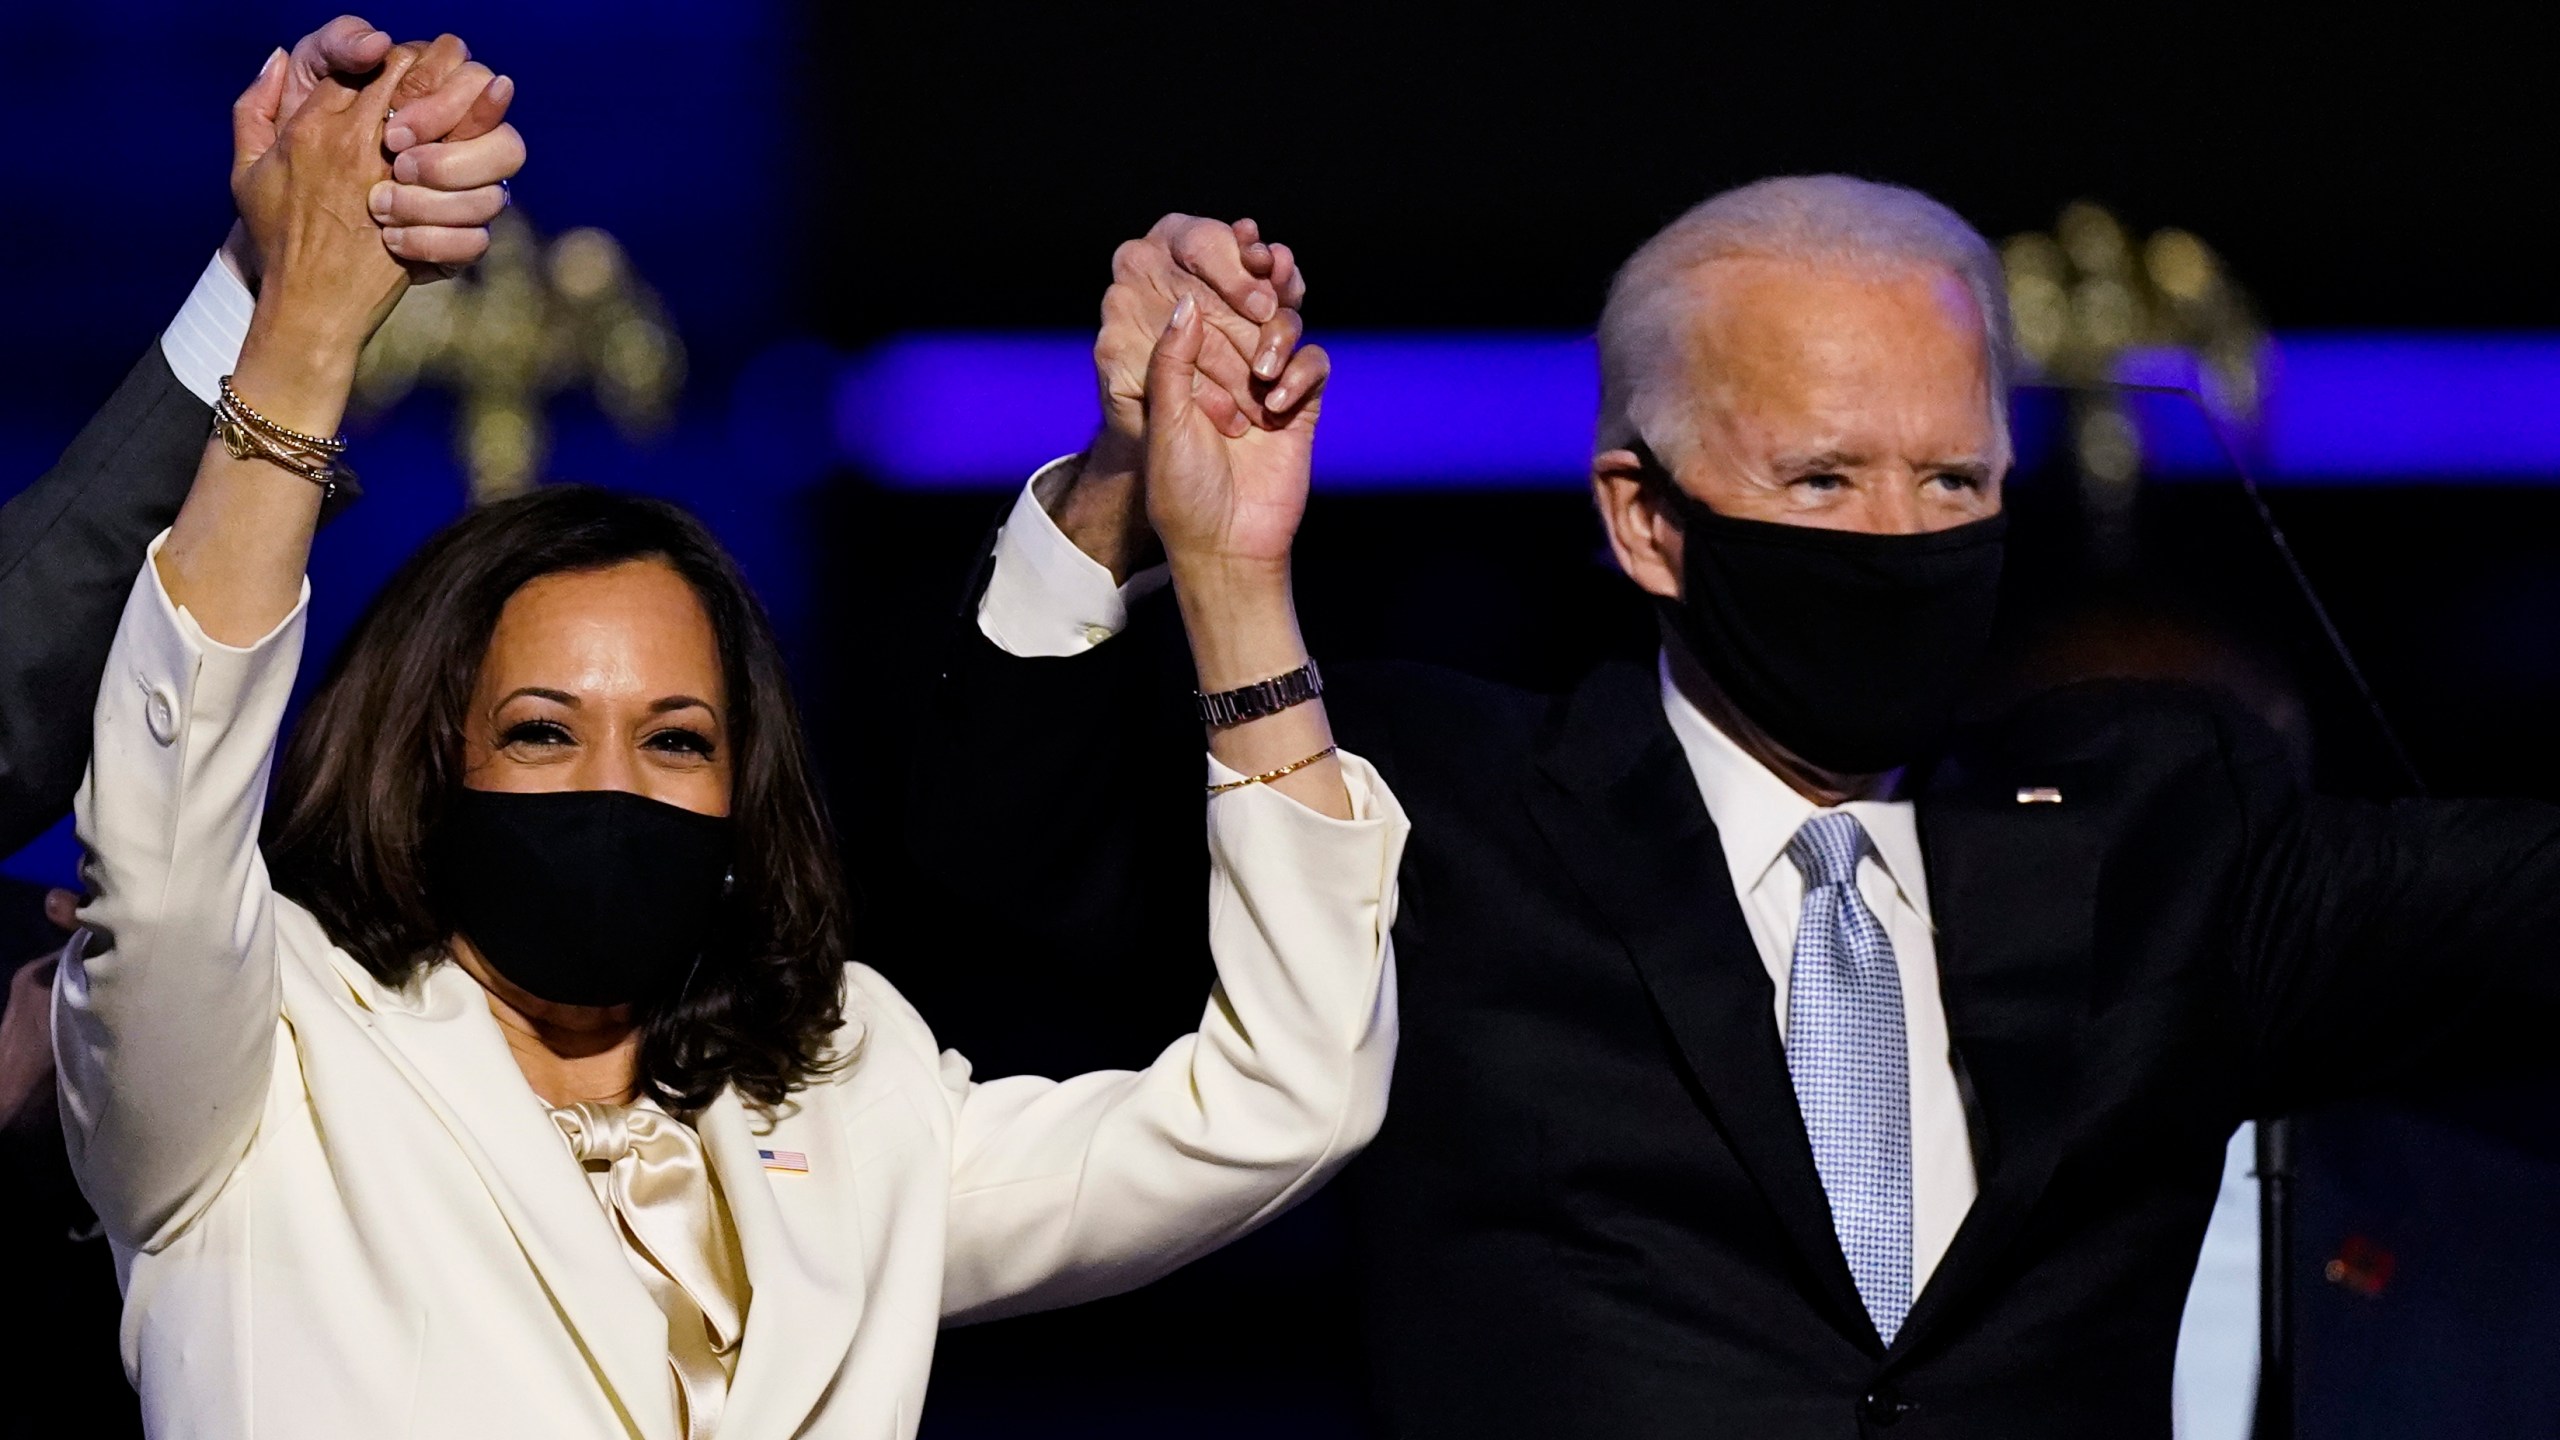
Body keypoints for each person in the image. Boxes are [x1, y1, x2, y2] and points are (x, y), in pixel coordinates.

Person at [918, 181, 2560, 1437]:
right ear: (1645, 518)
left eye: (1955, 482)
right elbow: (1022, 861)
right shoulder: (1446, 818)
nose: (1904, 537)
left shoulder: (2155, 830)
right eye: (1827, 481)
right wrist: (1127, 481)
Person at [59, 45, 1404, 1440]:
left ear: (743, 790)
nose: (612, 787)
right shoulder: (256, 1068)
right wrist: (303, 335)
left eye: (678, 741)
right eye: (538, 732)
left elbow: (1286, 1100)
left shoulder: (845, 1093)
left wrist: (1233, 577)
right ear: (425, 764)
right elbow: (161, 854)